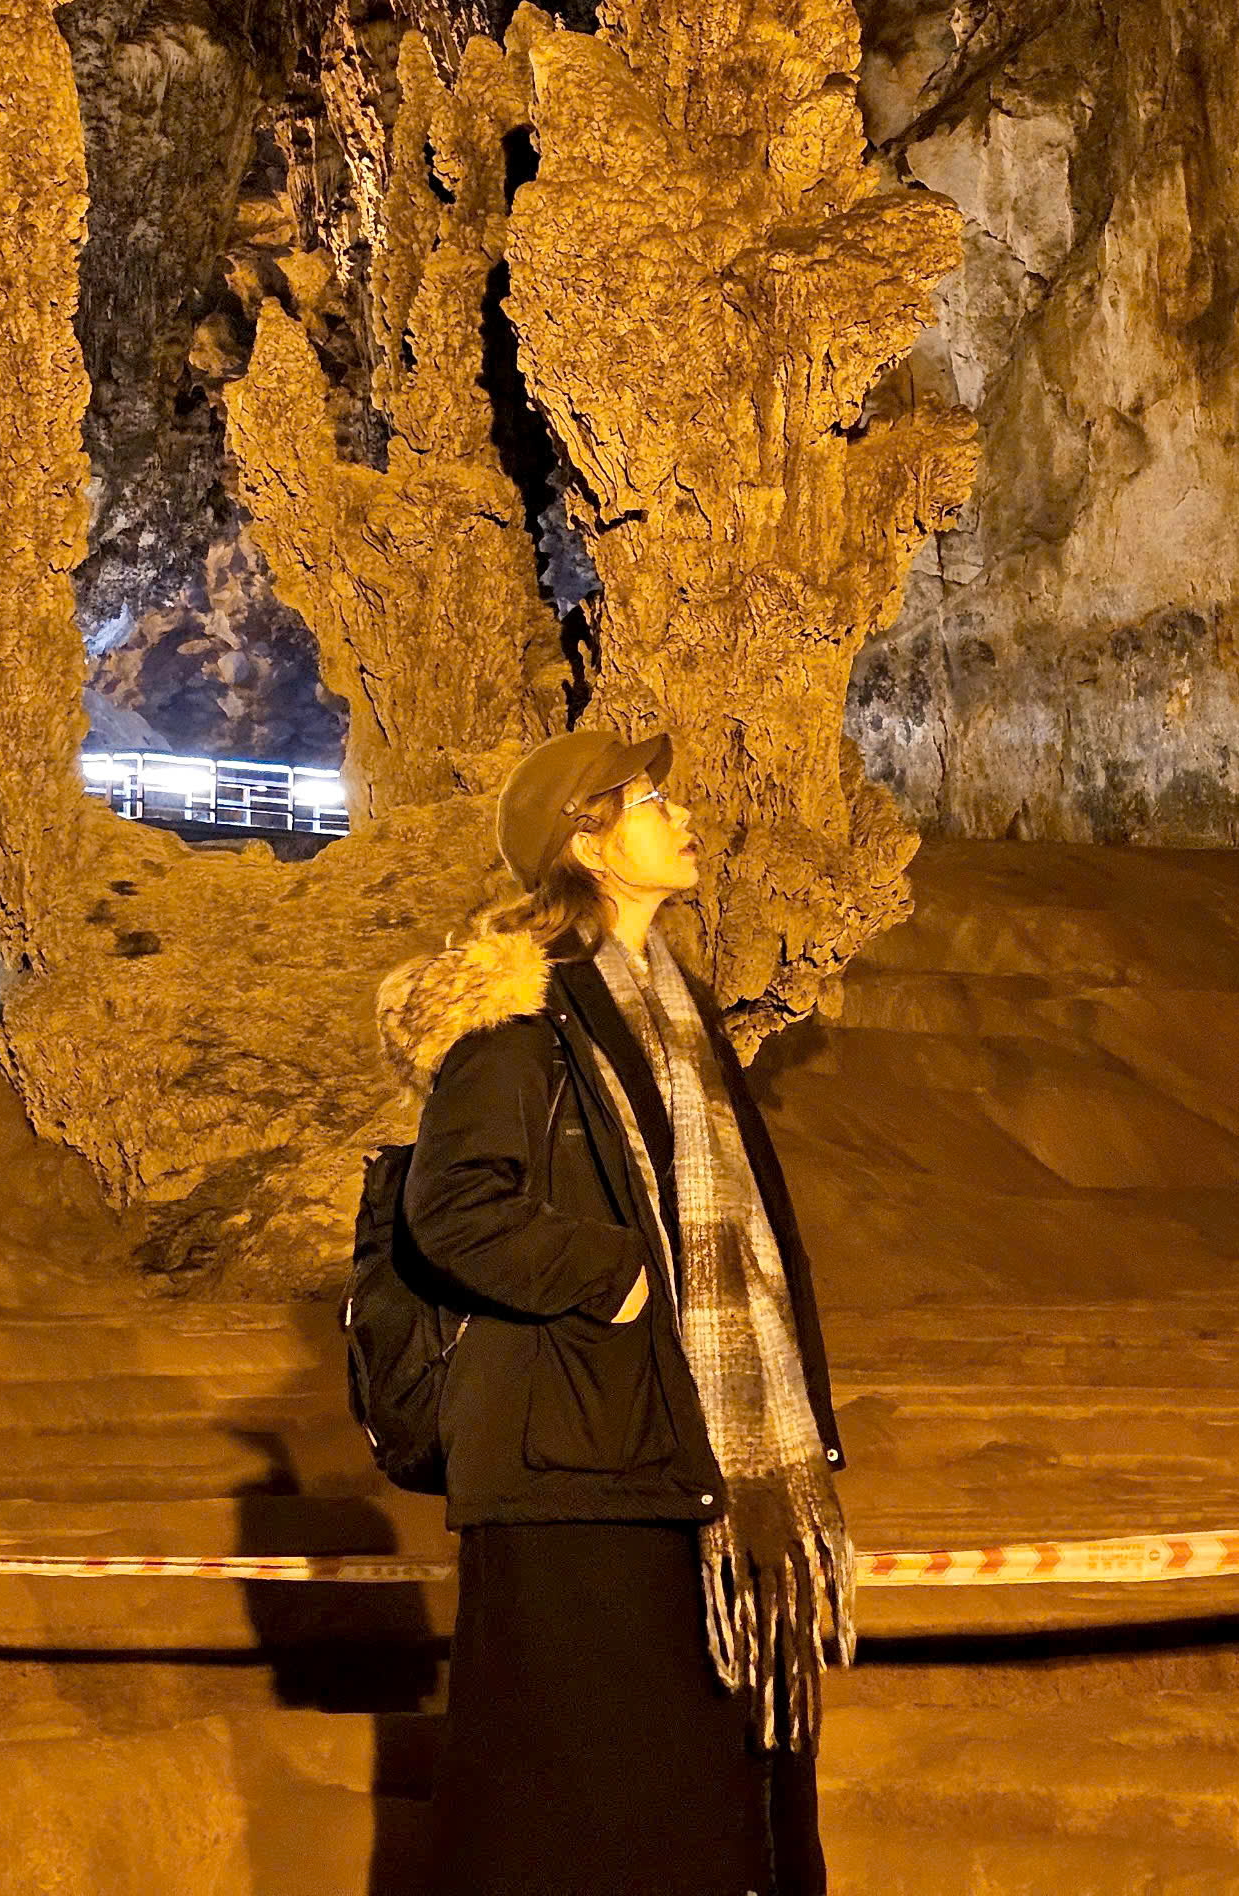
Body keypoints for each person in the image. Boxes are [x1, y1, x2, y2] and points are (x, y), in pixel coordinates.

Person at [380, 727, 851, 1896]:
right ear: (585, 841)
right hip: (579, 1468)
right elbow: (450, 1208)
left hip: (670, 1457)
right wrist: (618, 1274)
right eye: (648, 799)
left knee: (694, 1800)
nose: (680, 815)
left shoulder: (674, 1011)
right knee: (584, 1815)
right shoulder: (524, 1013)